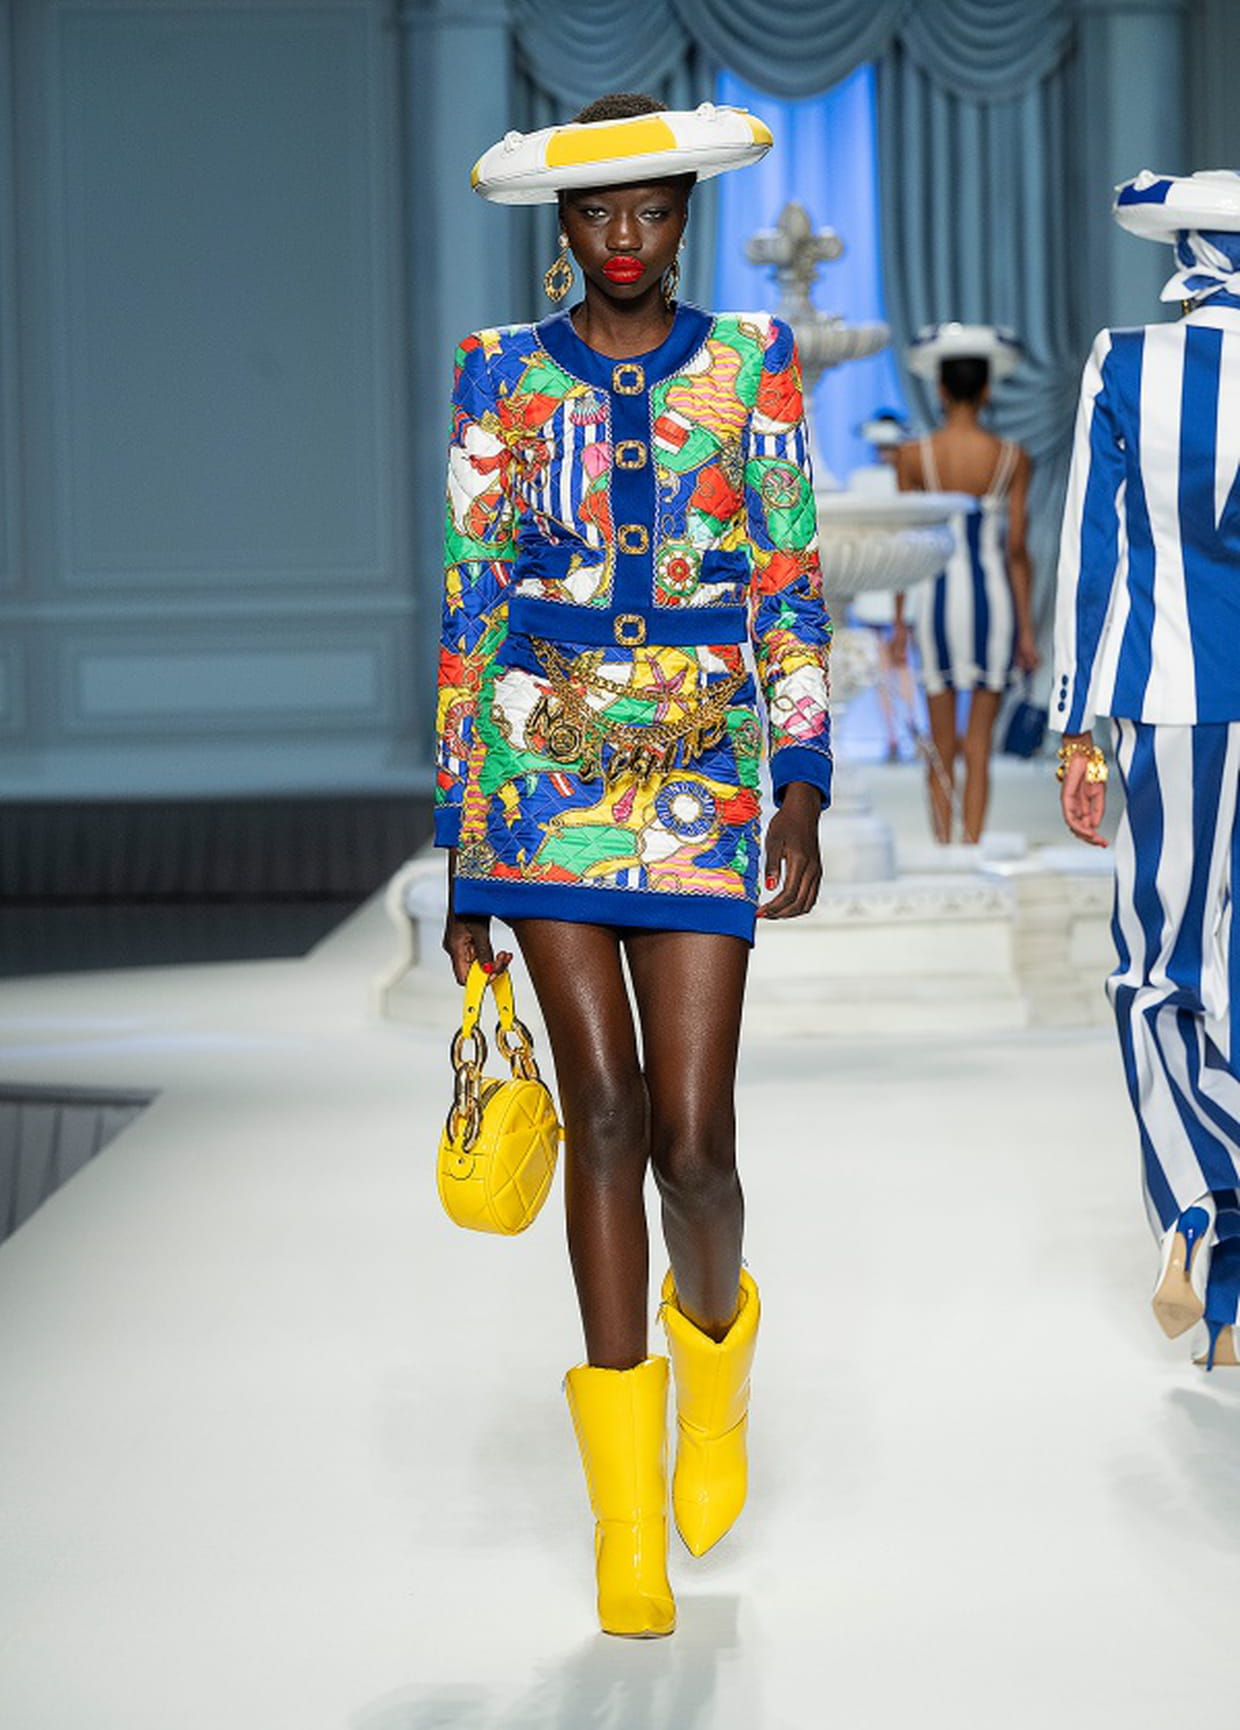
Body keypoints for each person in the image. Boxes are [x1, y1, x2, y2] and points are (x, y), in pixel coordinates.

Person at [434, 94, 833, 1635]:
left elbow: (789, 576)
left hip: (705, 772)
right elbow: (472, 604)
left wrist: (799, 783)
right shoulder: (497, 372)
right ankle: (624, 1523)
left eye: (650, 208)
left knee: (695, 1141)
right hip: (540, 777)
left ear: (683, 215)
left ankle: (715, 1377)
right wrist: (463, 842)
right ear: (563, 223)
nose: (622, 235)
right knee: (601, 1109)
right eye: (597, 211)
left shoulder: (753, 364)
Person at [1052, 169, 1240, 1370]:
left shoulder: (1127, 362)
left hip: (1176, 695)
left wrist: (1076, 727)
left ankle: (1198, 1215)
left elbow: (1091, 549)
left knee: (1156, 971)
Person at [892, 325, 1039, 842]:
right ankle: (972, 846)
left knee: (940, 742)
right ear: (986, 390)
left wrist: (899, 622)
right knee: (978, 744)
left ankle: (943, 844)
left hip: (933, 601)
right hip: (992, 604)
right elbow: (1016, 548)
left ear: (939, 389)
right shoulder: (1012, 457)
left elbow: (905, 543)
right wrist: (1027, 631)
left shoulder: (913, 456)